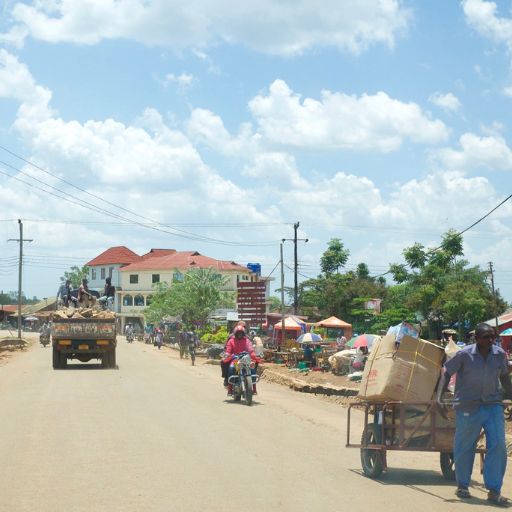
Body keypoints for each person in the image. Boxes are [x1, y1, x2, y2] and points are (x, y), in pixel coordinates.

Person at [437, 323, 512, 505]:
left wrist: (510, 397)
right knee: (465, 446)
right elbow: (446, 372)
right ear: (476, 338)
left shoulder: (499, 354)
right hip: (468, 406)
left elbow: (503, 376)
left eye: (493, 337)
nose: (490, 340)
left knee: (499, 446)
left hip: (492, 405)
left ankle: (494, 490)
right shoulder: (464, 354)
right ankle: (462, 485)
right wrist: (439, 396)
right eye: (486, 337)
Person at [222, 325, 258, 395]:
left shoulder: (247, 341)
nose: (239, 334)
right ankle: (229, 388)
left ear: (243, 333)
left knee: (253, 369)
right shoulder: (231, 341)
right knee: (231, 369)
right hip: (235, 359)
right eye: (238, 333)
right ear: (235, 334)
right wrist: (226, 355)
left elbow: (251, 350)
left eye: (241, 333)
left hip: (246, 358)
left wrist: (254, 355)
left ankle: (254, 387)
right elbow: (228, 350)